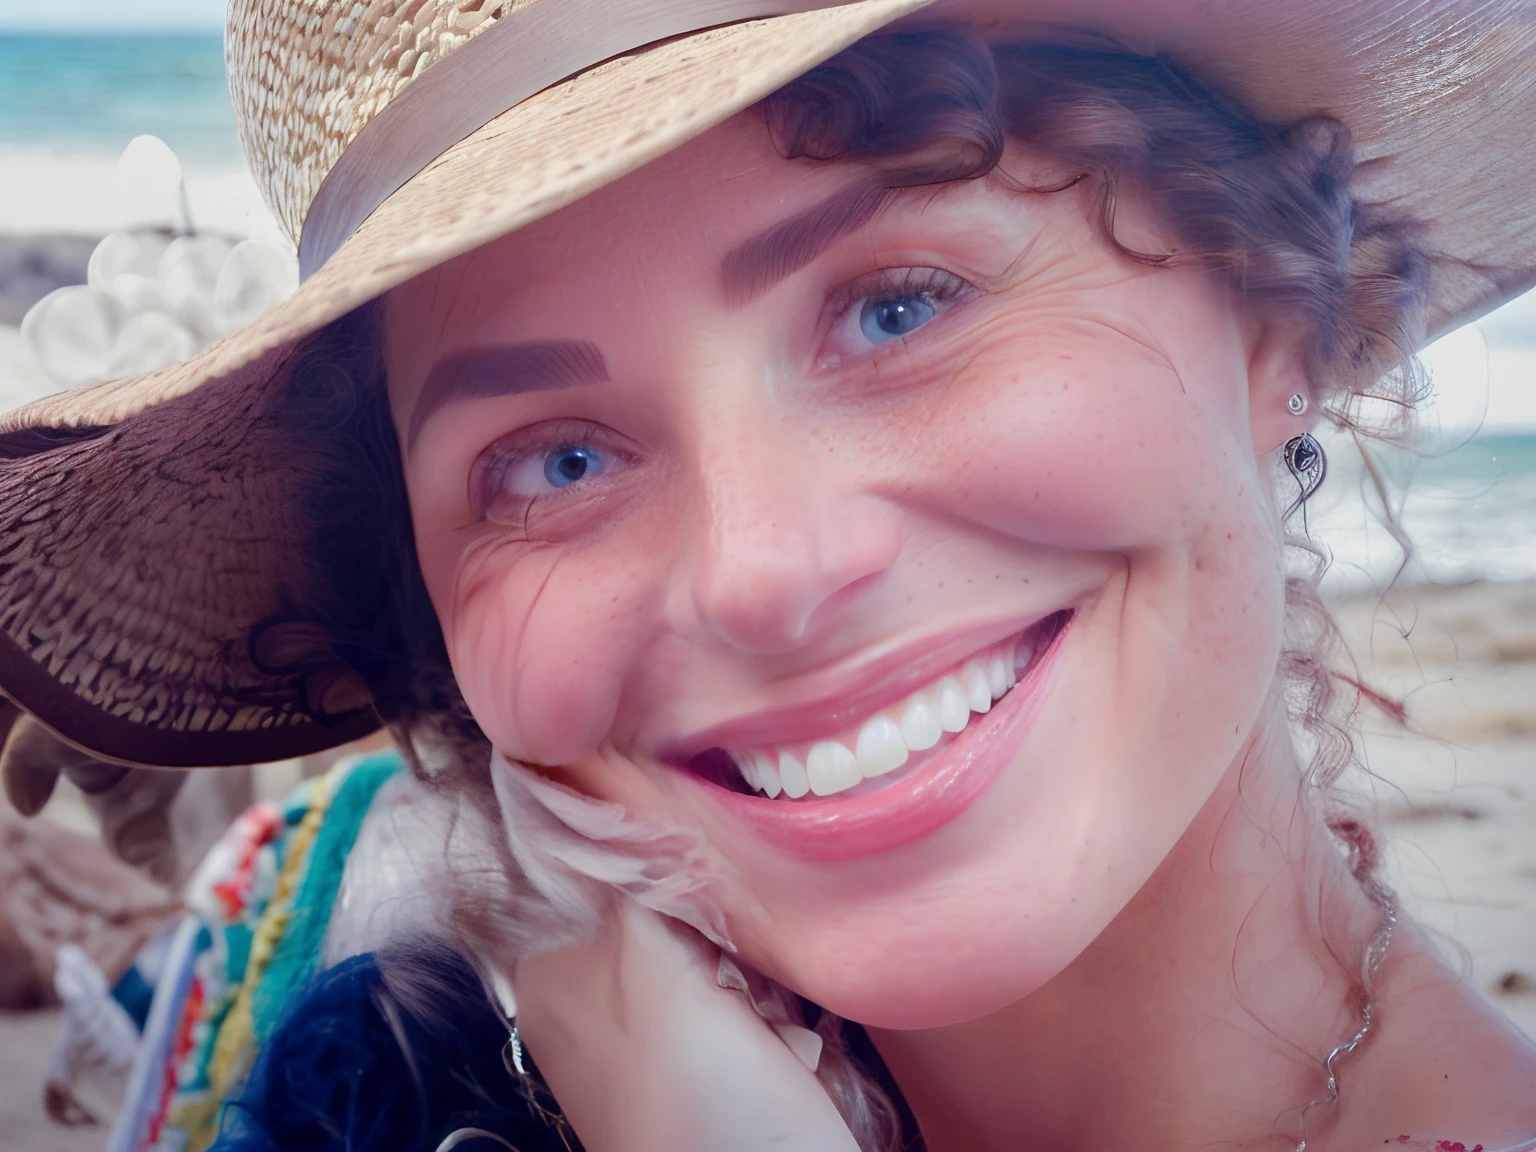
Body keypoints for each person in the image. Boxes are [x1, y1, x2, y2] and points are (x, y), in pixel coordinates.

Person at [0, 2, 1533, 1149]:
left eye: (899, 308)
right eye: (559, 461)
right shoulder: (387, 1082)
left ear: (1278, 317)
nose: (763, 573)